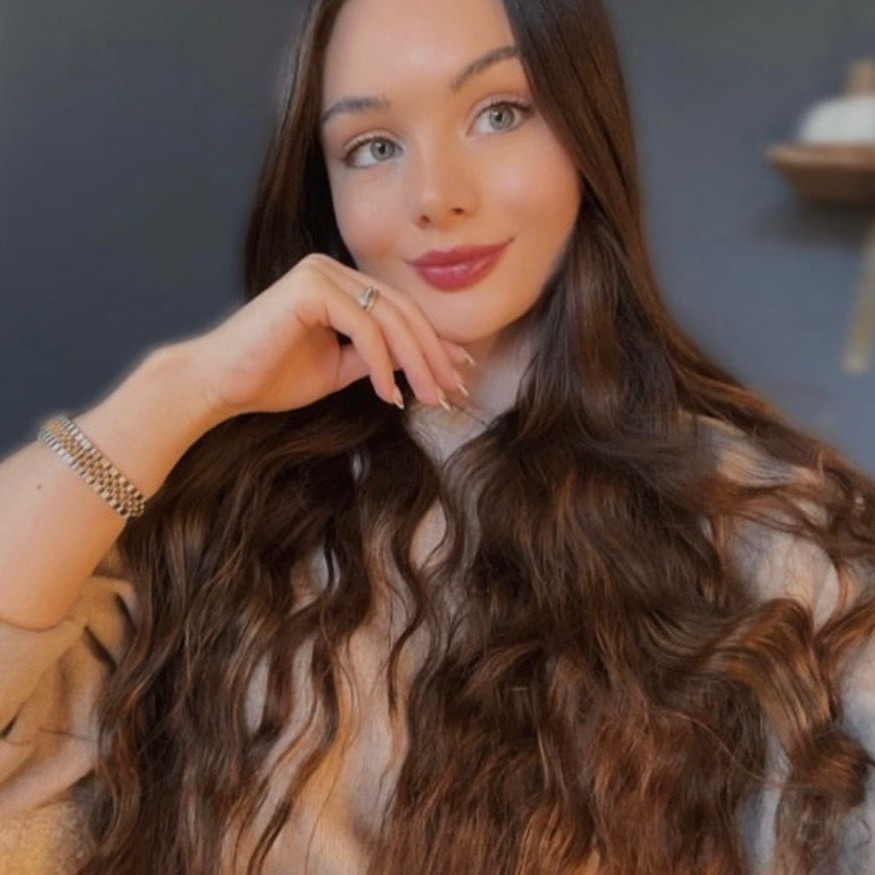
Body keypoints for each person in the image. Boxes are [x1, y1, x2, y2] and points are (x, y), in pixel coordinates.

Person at [0, 0, 873, 872]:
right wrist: (177, 391)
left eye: (499, 113)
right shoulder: (207, 531)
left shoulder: (772, 538)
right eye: (372, 146)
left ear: (584, 128)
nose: (435, 197)